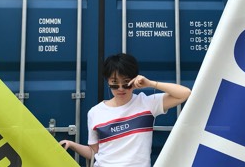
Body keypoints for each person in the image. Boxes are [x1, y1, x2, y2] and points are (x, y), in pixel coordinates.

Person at [60, 53, 191, 167]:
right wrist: (71, 144)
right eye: (115, 83)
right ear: (107, 81)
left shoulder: (147, 103)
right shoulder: (95, 112)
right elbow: (94, 152)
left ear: (134, 80)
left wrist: (150, 83)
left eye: (126, 83)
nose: (121, 88)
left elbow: (185, 93)